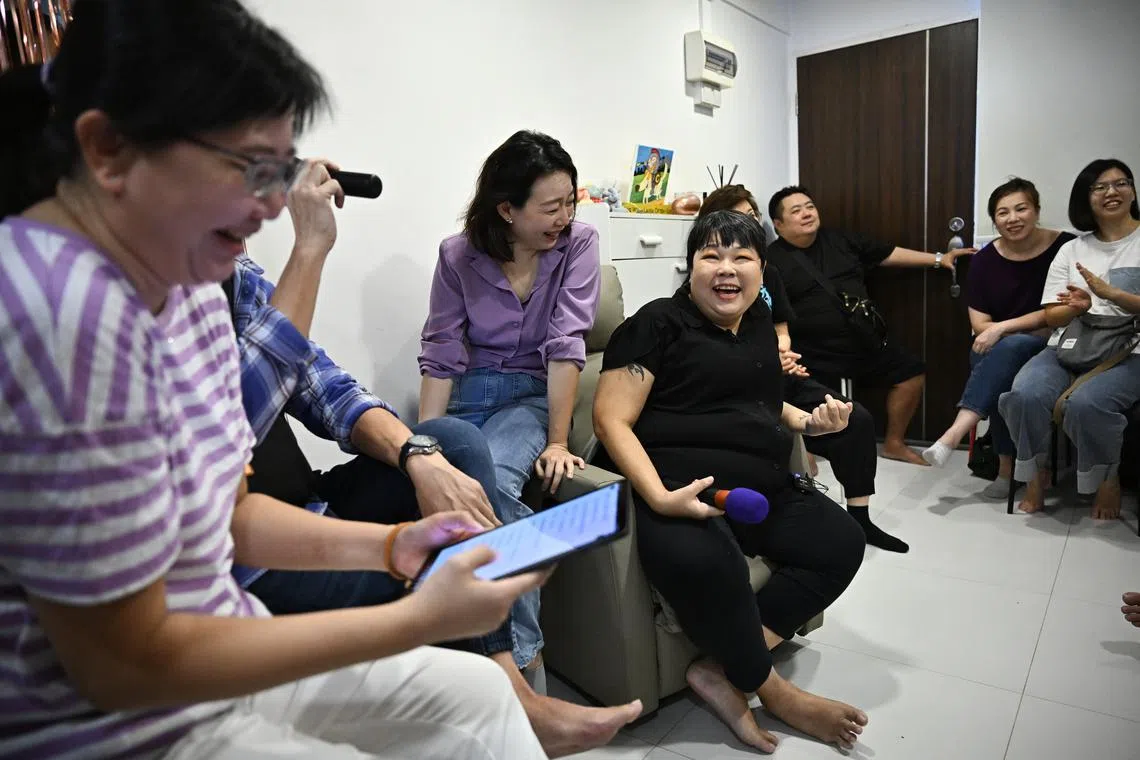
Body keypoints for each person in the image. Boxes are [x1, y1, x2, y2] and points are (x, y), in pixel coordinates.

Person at [0, 2, 548, 758]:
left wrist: (395, 544)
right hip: (123, 722)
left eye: (281, 172)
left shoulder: (197, 277)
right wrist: (418, 619)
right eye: (246, 168)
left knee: (479, 698)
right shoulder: (59, 315)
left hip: (218, 642)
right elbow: (123, 669)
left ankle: (513, 683)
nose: (271, 206)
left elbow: (229, 515)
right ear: (108, 151)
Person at [231, 159, 639, 756]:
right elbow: (227, 428)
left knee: (456, 452)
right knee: (478, 492)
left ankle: (506, 675)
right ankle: (515, 679)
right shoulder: (114, 314)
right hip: (243, 556)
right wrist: (311, 250)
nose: (259, 202)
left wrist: (421, 455)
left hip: (301, 504)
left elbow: (326, 388)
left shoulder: (234, 276)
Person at [592, 210, 869, 753]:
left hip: (759, 484)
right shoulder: (656, 325)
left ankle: (722, 667)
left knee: (841, 542)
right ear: (689, 267)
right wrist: (661, 499)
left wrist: (808, 422)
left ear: (762, 270)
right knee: (707, 560)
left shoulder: (758, 323)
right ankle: (769, 687)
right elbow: (611, 420)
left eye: (742, 257)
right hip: (676, 486)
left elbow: (762, 405)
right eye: (711, 255)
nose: (726, 269)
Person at [418, 130, 610, 686]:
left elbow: (566, 343)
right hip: (469, 394)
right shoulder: (458, 255)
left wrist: (557, 439)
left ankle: (524, 664)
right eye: (551, 207)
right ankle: (458, 668)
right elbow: (442, 352)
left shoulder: (580, 244)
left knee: (493, 485)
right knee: (421, 493)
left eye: (570, 202)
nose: (565, 217)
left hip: (531, 396)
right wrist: (422, 443)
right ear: (507, 209)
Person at [698, 186, 908, 552]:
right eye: (738, 216)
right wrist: (763, 357)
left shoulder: (769, 273)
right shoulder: (712, 279)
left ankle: (860, 518)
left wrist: (783, 350)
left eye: (752, 216)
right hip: (745, 385)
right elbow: (713, 348)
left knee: (854, 417)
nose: (749, 223)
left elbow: (781, 325)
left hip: (781, 373)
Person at [766, 185, 974, 466]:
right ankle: (808, 454)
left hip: (864, 342)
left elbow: (887, 253)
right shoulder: (772, 261)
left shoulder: (840, 240)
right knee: (795, 391)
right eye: (796, 210)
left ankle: (894, 443)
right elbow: (772, 313)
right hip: (813, 354)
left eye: (810, 206)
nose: (807, 213)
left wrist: (939, 259)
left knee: (912, 373)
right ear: (778, 225)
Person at [998, 158, 1140, 519]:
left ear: (1133, 190)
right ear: (1086, 198)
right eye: (1100, 187)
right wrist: (1078, 307)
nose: (1111, 192)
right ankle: (1034, 472)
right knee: (1023, 395)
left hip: (1130, 351)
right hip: (1069, 344)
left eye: (1121, 183)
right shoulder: (1072, 249)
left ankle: (1107, 478)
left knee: (1086, 405)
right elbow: (1051, 314)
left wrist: (1114, 296)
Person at [921, 179, 1075, 496]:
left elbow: (1058, 312)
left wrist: (1003, 327)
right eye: (1003, 212)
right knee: (999, 365)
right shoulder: (985, 259)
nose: (1012, 218)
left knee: (1002, 353)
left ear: (1036, 210)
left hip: (1056, 343)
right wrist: (1000, 331)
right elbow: (980, 323)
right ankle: (1006, 465)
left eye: (1021, 208)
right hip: (1003, 347)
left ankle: (957, 434)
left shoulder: (1066, 247)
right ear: (994, 219)